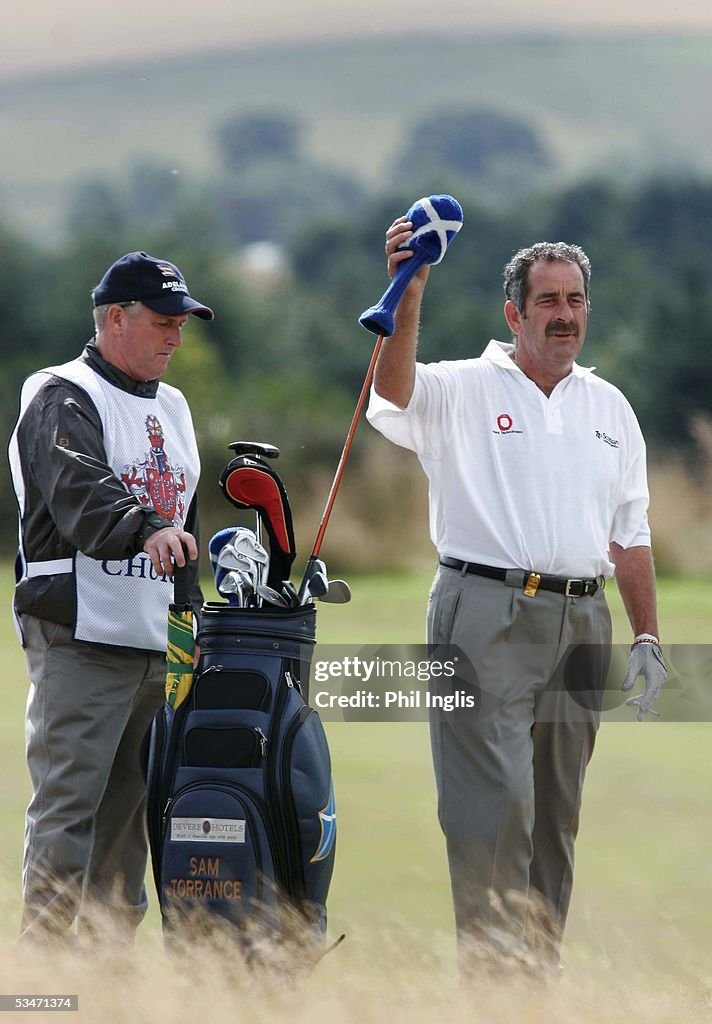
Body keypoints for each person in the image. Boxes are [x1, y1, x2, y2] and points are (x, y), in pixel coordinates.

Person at [366, 219, 667, 967]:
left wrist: (648, 636)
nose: (564, 314)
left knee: (556, 817)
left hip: (582, 621)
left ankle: (535, 985)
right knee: (492, 811)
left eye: (575, 300)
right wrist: (411, 294)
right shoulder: (461, 386)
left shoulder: (611, 409)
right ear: (515, 314)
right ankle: (494, 989)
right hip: (481, 614)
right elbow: (391, 389)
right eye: (548, 301)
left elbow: (630, 536)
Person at [8, 251, 214, 944]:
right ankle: (40, 989)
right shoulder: (60, 394)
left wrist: (197, 620)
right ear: (115, 318)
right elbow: (82, 493)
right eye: (162, 322)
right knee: (68, 815)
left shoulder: (177, 406)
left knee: (129, 831)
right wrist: (144, 529)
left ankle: (108, 992)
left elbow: (185, 519)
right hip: (80, 640)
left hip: (155, 645)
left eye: (181, 324)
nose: (175, 338)